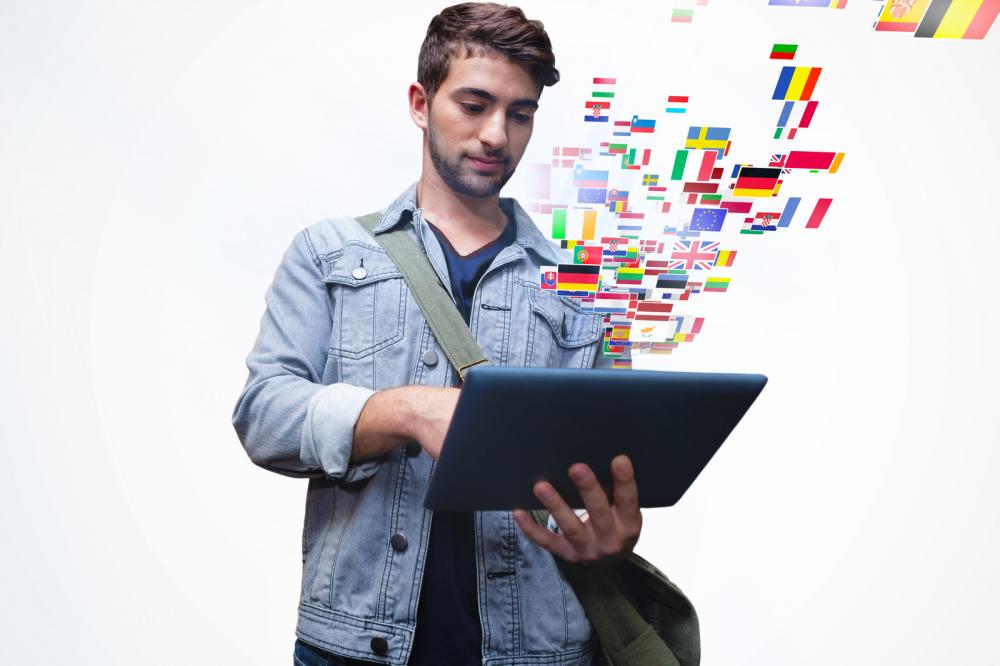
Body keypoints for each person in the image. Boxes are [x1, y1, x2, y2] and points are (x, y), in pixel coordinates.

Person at [232, 4, 644, 664]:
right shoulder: (327, 252)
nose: (495, 135)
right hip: (354, 648)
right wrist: (402, 410)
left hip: (538, 648)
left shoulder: (590, 283)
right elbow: (263, 416)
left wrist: (610, 530)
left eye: (520, 112)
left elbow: (615, 451)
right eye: (474, 104)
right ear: (421, 102)